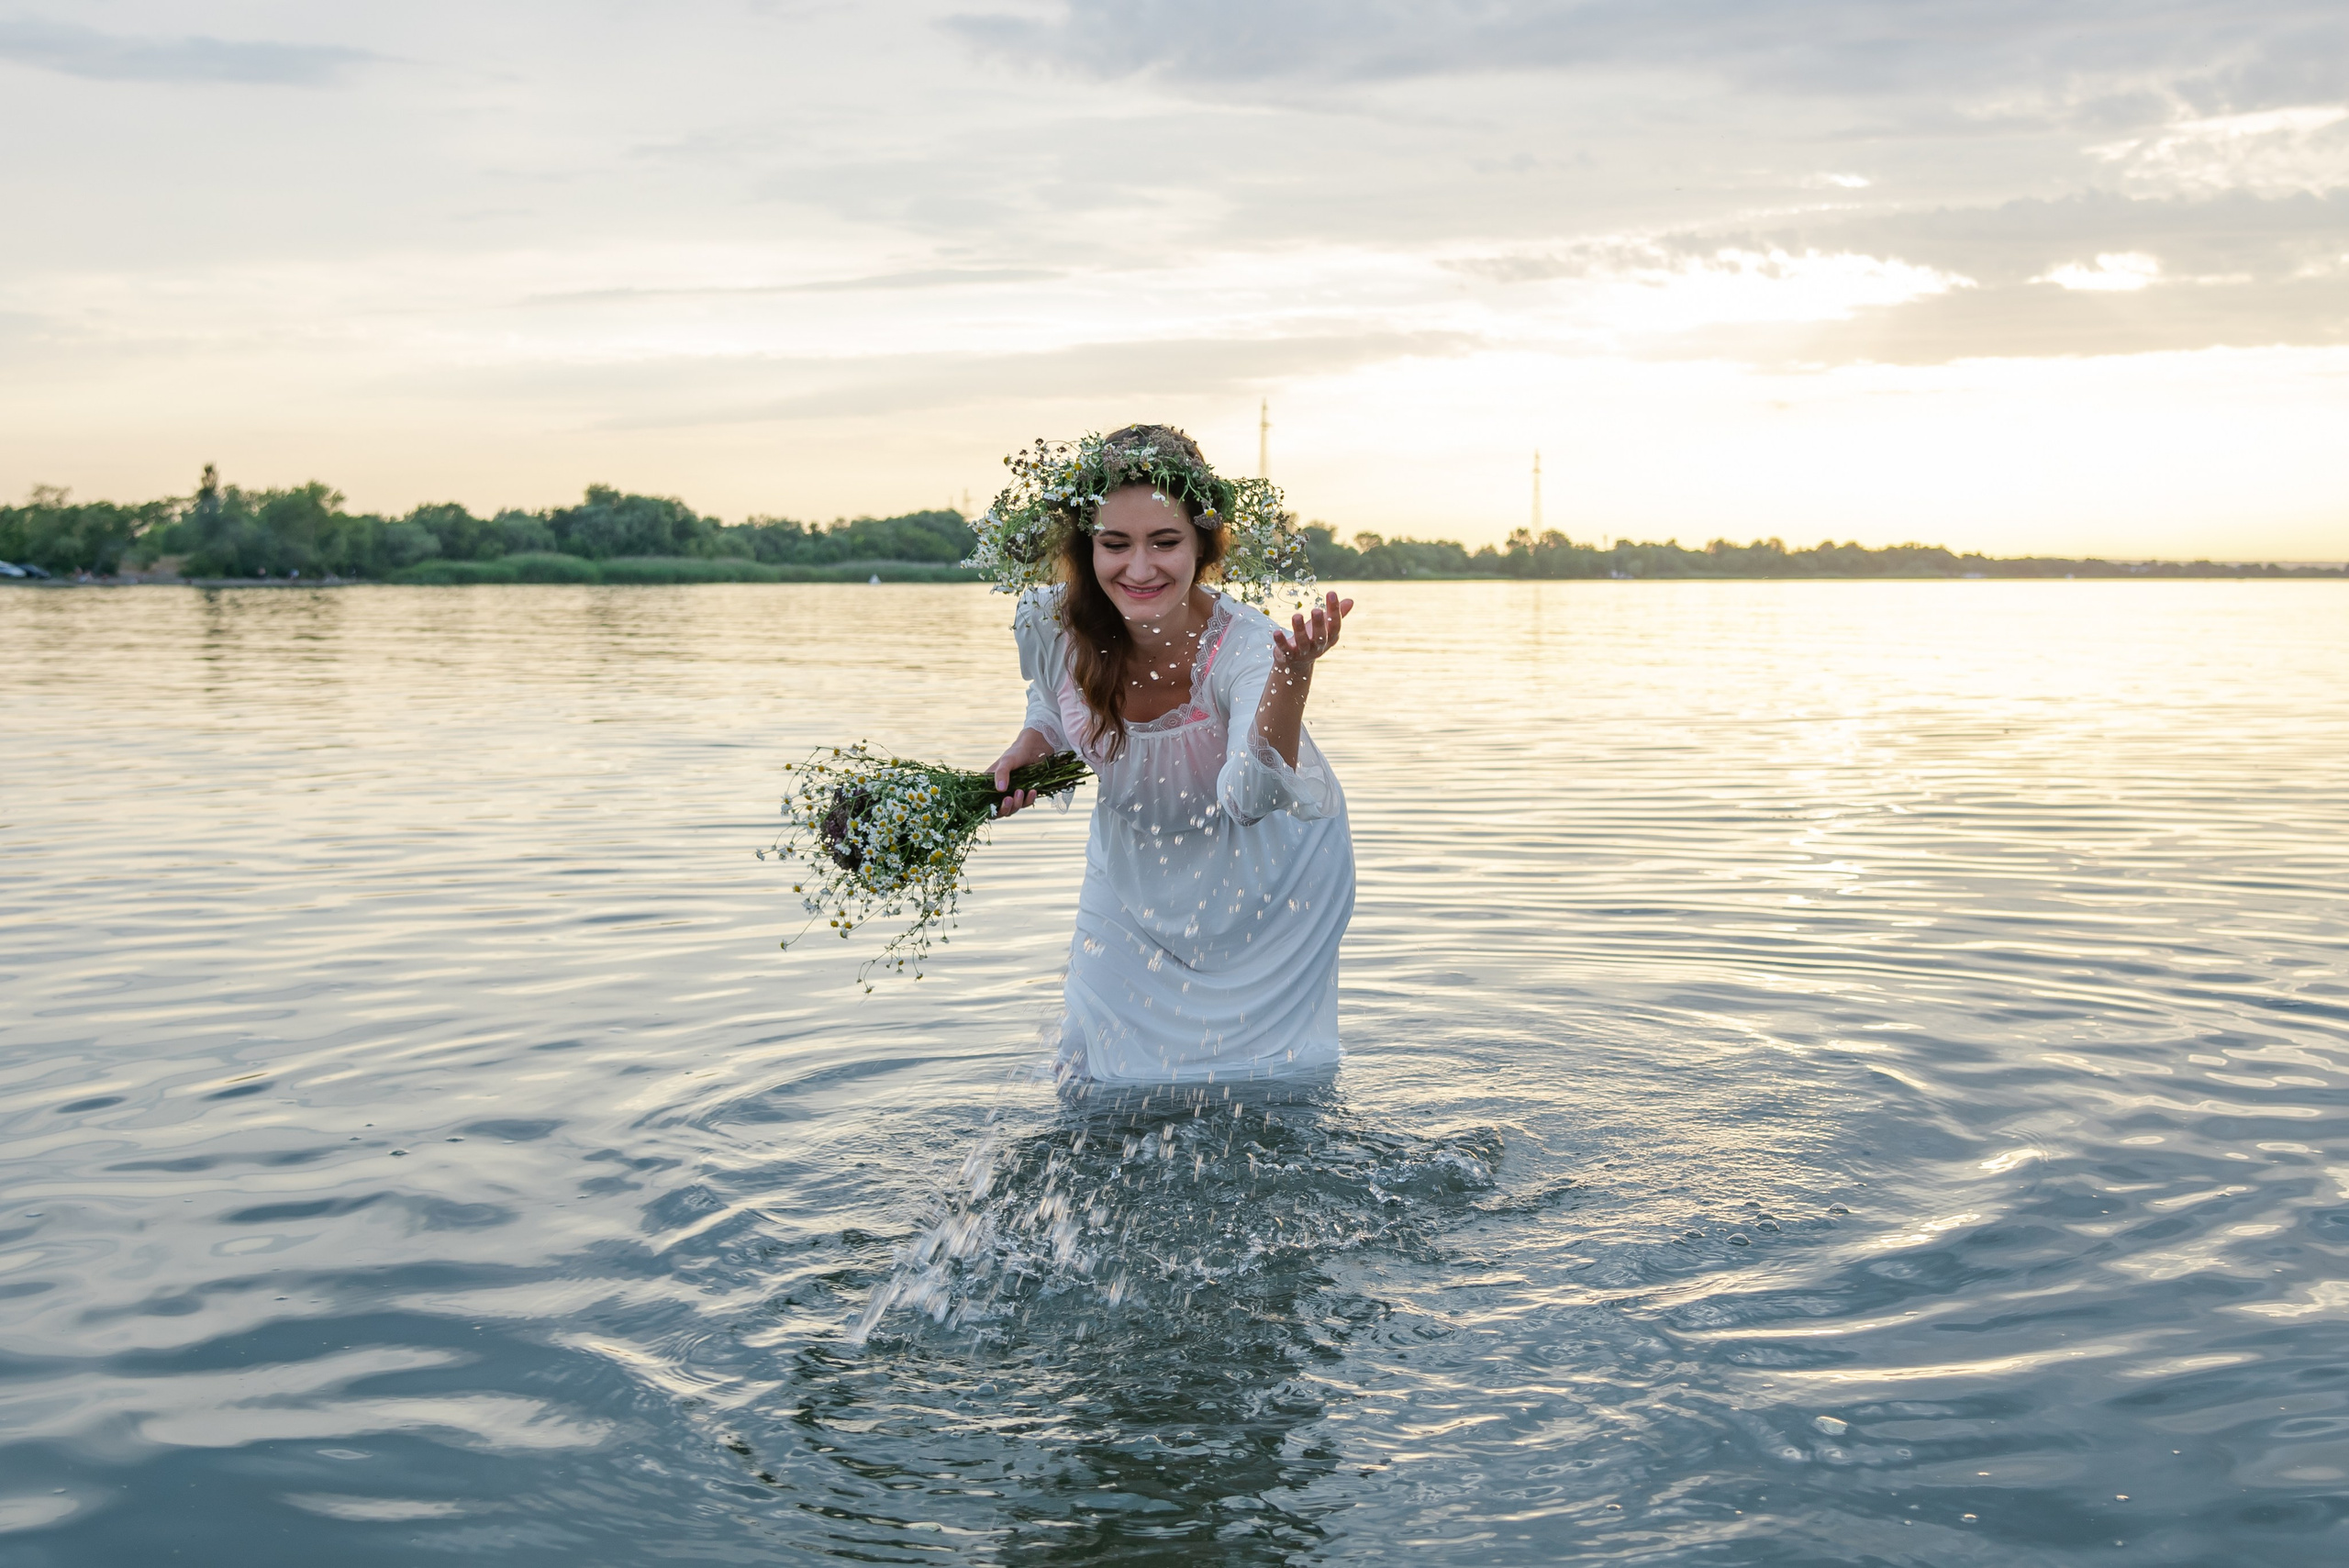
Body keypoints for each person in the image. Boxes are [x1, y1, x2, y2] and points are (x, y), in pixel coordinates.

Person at [986, 425, 1355, 1088]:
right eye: (1114, 544)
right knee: (1088, 1074)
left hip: (1267, 888)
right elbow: (1052, 701)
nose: (1139, 568)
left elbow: (1250, 795)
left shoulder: (1249, 649)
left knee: (1264, 1087)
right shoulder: (1049, 622)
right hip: (1131, 868)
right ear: (1085, 547)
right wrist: (1031, 749)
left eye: (1165, 542)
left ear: (1203, 546)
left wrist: (1292, 678)